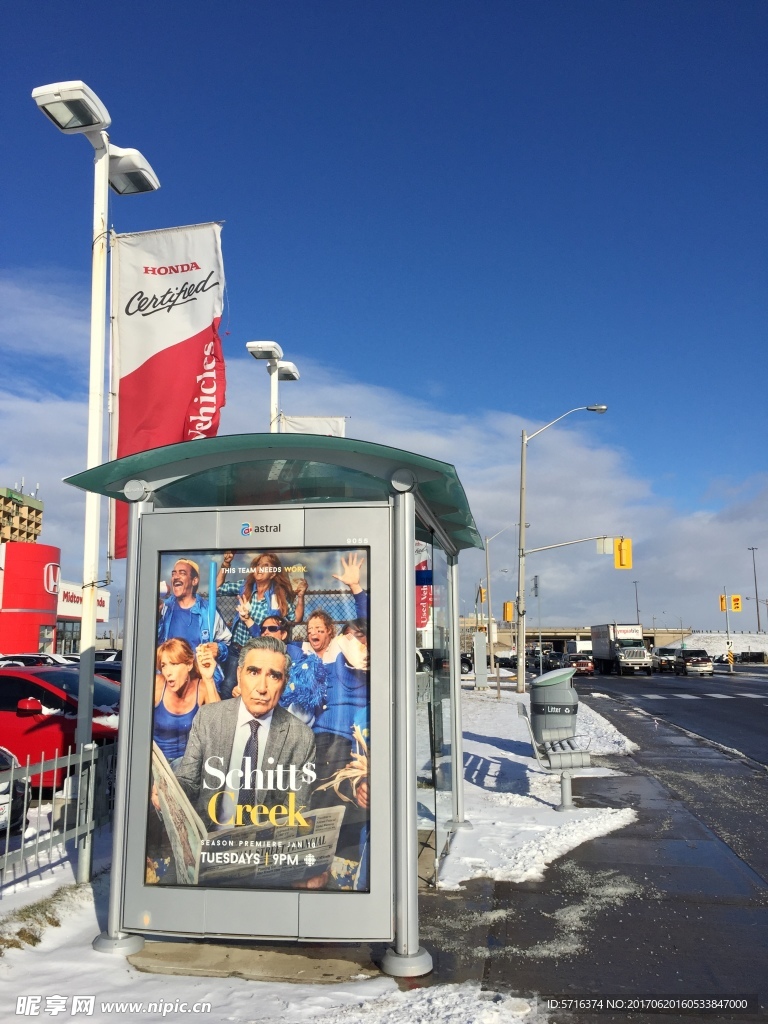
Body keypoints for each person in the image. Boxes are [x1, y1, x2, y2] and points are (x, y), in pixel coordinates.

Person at [172, 636, 316, 832]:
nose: (262, 688)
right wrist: (168, 792)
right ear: (239, 675)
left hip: (264, 851)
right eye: (253, 672)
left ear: (284, 683)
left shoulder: (301, 737)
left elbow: (298, 812)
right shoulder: (208, 718)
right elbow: (188, 781)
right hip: (211, 842)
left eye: (274, 676)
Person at [153, 639, 220, 767]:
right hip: (157, 763)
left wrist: (208, 678)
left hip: (187, 764)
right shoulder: (157, 685)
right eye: (164, 665)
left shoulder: (202, 688)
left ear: (189, 665)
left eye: (174, 664)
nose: (168, 672)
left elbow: (218, 727)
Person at [157, 559, 231, 666]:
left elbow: (226, 644)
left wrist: (219, 649)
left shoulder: (208, 611)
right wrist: (156, 617)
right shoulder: (164, 609)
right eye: (174, 573)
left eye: (182, 573)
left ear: (194, 581)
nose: (176, 577)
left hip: (199, 676)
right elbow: (152, 644)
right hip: (170, 676)